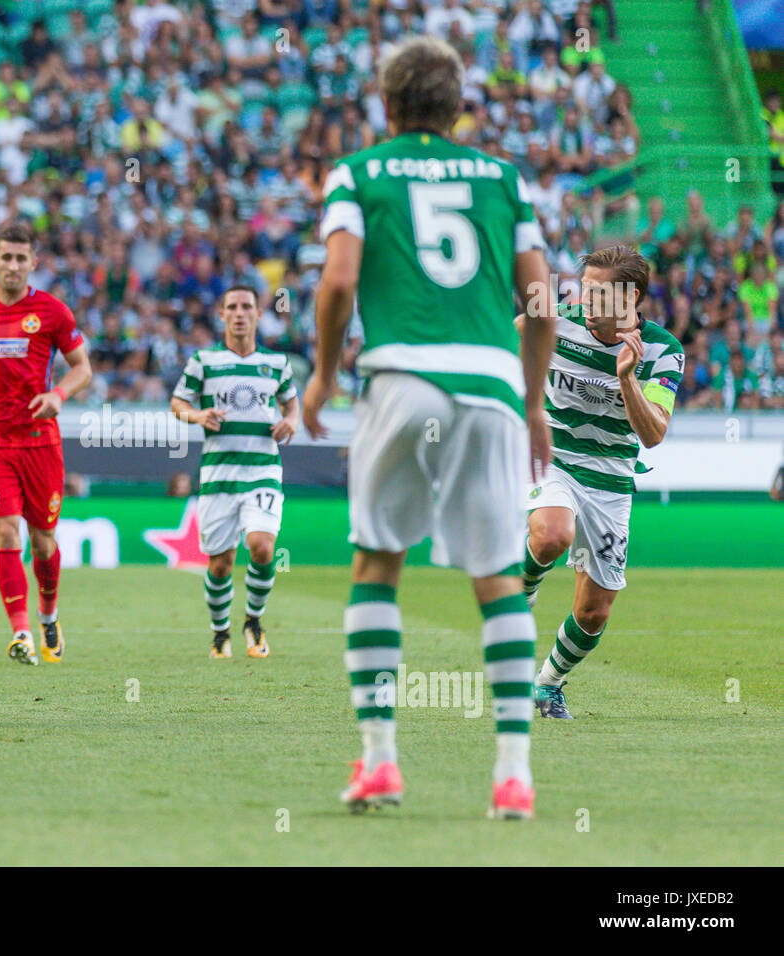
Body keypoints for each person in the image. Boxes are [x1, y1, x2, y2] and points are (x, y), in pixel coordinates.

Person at [302, 36, 556, 819]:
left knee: (378, 563)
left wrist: (323, 373)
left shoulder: (358, 173)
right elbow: (542, 303)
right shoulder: (503, 179)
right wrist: (535, 400)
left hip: (403, 379)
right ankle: (513, 775)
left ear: (386, 104)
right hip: (489, 388)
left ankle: (381, 761)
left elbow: (340, 277)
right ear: (458, 107)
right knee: (498, 579)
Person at [520, 245, 683, 718]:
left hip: (610, 481)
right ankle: (526, 584)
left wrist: (627, 378)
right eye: (584, 288)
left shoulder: (661, 351)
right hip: (554, 457)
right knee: (552, 533)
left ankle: (549, 683)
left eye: (598, 292)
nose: (585, 299)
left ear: (630, 299)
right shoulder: (557, 321)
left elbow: (652, 434)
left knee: (594, 613)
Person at [0, 221, 92, 665]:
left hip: (40, 443)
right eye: (5, 257)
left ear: (34, 262)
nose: (12, 265)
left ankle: (48, 614)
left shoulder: (52, 312)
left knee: (44, 540)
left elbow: (82, 367)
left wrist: (58, 394)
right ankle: (21, 633)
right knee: (6, 531)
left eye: (21, 258)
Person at [170, 286, 299, 659]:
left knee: (262, 547)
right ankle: (220, 631)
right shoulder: (204, 361)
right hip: (218, 476)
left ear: (258, 314)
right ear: (222, 315)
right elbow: (178, 403)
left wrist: (290, 421)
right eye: (232, 307)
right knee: (220, 561)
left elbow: (292, 405)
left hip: (262, 471)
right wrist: (197, 415)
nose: (239, 313)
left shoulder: (277, 363)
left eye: (246, 307)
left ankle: (253, 622)